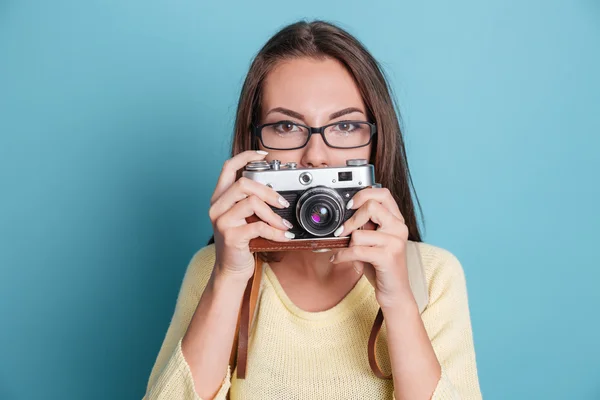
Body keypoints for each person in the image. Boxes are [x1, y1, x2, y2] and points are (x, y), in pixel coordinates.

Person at [144, 20, 482, 400]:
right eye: (287, 126)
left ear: (376, 141)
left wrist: (398, 301)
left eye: (345, 126)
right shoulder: (214, 269)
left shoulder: (433, 276)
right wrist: (227, 277)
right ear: (255, 147)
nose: (316, 157)